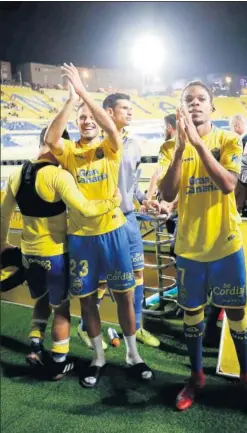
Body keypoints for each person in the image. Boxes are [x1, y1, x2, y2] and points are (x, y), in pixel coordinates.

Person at [158, 80, 247, 415]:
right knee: (192, 316)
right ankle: (196, 377)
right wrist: (179, 148)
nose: (195, 104)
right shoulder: (169, 147)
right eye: (188, 100)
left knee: (236, 313)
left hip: (225, 245)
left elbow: (229, 184)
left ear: (211, 107)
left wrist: (198, 146)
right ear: (181, 107)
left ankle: (246, 377)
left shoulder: (228, 140)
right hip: (189, 248)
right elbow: (166, 193)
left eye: (201, 99)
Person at [44, 63, 153, 388]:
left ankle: (133, 355)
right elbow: (52, 138)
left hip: (114, 233)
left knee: (124, 296)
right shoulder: (70, 151)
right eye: (82, 118)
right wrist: (69, 101)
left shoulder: (110, 146)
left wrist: (85, 95)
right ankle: (98, 357)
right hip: (81, 238)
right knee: (87, 300)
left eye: (91, 117)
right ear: (76, 124)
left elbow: (110, 126)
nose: (88, 120)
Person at [0, 126, 122, 380]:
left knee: (41, 299)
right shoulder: (57, 176)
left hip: (28, 253)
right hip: (54, 254)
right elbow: (87, 209)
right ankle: (58, 363)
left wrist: (3, 243)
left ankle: (35, 347)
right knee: (62, 309)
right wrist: (113, 202)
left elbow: (3, 214)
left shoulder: (15, 174)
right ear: (59, 146)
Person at [102, 92, 162, 347]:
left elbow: (133, 183)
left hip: (129, 218)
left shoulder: (135, 145)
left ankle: (136, 327)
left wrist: (143, 199)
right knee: (103, 277)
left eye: (130, 108)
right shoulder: (97, 144)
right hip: (105, 220)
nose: (130, 112)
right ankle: (85, 327)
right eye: (124, 108)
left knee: (138, 273)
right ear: (109, 112)